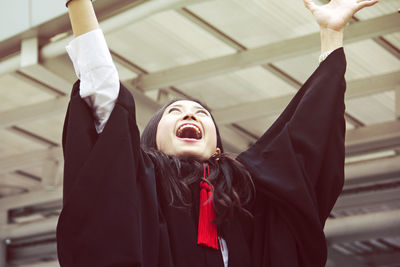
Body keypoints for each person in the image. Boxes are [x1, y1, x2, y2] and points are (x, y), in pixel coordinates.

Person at [57, 0, 378, 266]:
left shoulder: (249, 188)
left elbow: (308, 140)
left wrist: (331, 37)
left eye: (201, 114)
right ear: (150, 141)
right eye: (174, 112)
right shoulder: (141, 181)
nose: (189, 114)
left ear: (217, 147)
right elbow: (103, 93)